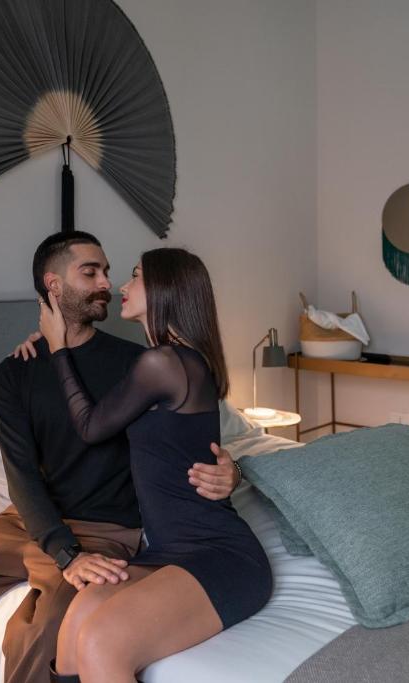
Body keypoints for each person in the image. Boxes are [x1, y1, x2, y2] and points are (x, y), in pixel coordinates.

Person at [0, 231, 241, 683]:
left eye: (108, 271)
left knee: (44, 632)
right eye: (92, 271)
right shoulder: (14, 373)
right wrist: (61, 550)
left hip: (106, 532)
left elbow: (182, 441)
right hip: (26, 523)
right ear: (54, 285)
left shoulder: (138, 363)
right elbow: (20, 474)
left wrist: (231, 468)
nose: (107, 282)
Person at [39, 247, 273, 683]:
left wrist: (57, 348)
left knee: (100, 640)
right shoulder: (172, 362)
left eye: (135, 276)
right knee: (77, 620)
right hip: (166, 550)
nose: (122, 287)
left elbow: (90, 427)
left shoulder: (164, 363)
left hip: (216, 554)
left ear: (166, 289)